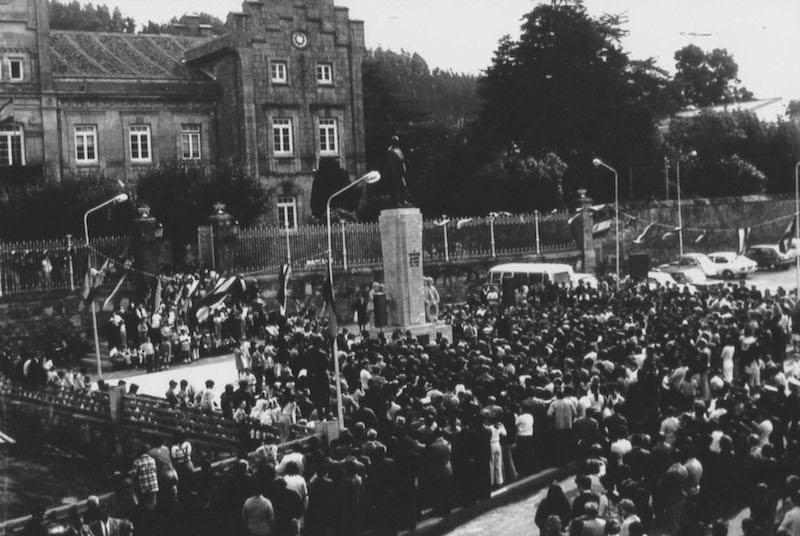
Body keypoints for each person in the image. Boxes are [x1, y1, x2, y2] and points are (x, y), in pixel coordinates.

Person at [386, 135, 409, 206]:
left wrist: (404, 168)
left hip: (401, 170)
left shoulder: (398, 150)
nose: (397, 142)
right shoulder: (390, 150)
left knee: (404, 186)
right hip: (395, 171)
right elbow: (391, 162)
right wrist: (394, 170)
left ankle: (403, 200)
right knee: (396, 187)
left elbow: (403, 160)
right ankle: (397, 201)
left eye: (397, 141)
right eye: (395, 141)